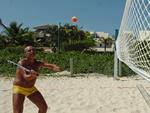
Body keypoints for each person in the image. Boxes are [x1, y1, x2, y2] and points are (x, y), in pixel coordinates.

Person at [13, 46, 61, 113]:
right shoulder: (22, 63)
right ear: (25, 53)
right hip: (19, 88)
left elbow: (48, 64)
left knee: (44, 108)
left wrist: (54, 66)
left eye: (33, 50)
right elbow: (26, 77)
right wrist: (32, 75)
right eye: (29, 50)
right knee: (17, 112)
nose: (32, 52)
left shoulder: (38, 62)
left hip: (31, 88)